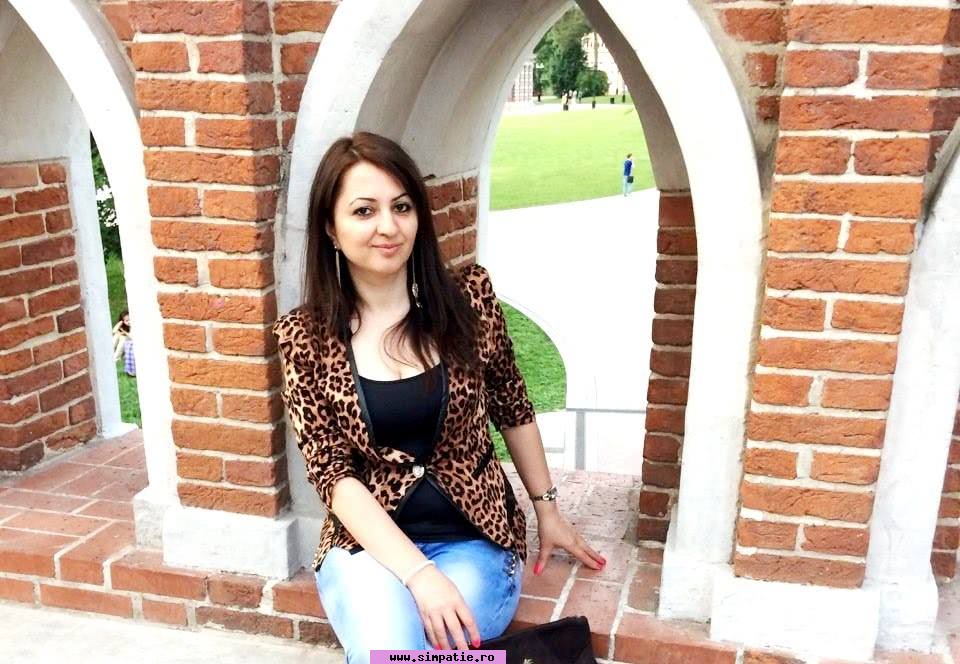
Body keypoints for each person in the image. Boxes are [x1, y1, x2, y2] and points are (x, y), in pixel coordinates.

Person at [271, 132, 606, 661]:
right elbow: (332, 475)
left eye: (402, 207)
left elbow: (513, 405)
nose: (388, 226)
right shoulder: (305, 338)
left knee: (423, 648)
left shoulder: (469, 300)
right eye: (364, 211)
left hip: (475, 540)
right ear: (332, 229)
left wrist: (547, 509)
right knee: (390, 646)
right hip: (366, 548)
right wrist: (419, 574)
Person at [112, 309, 135, 377]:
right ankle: (110, 351)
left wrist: (124, 332)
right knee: (117, 335)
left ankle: (116, 357)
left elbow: (132, 337)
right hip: (126, 339)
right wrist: (120, 323)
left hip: (131, 340)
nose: (129, 322)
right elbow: (114, 331)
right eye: (126, 321)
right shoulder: (123, 325)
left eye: (130, 320)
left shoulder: (133, 326)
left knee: (123, 338)